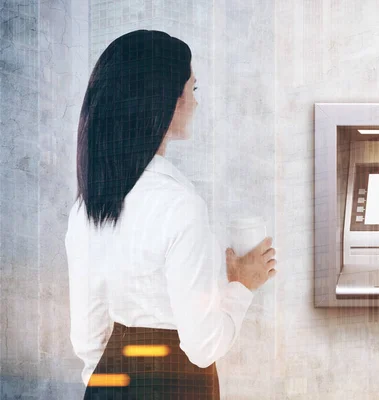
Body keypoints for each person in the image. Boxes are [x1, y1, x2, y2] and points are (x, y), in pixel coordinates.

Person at [64, 29, 277, 399]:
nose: (196, 103)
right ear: (168, 101)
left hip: (108, 379)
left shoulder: (88, 205)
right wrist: (243, 284)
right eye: (192, 90)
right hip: (176, 382)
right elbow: (203, 345)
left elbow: (87, 337)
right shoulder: (180, 206)